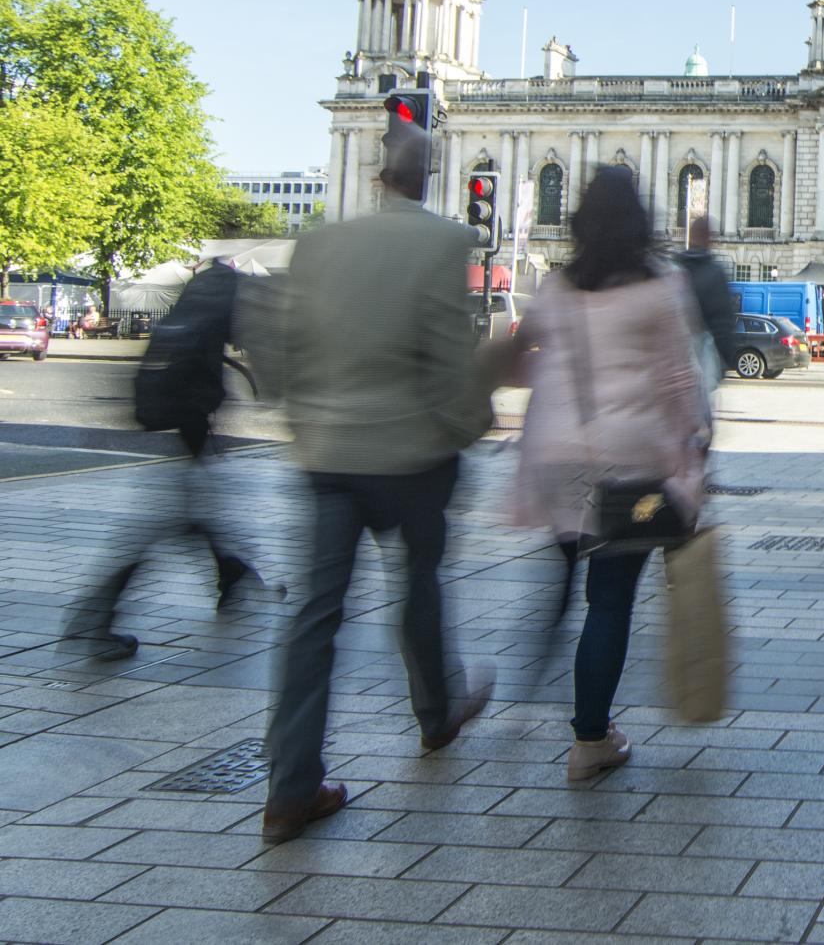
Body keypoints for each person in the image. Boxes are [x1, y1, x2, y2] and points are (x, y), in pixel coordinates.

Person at [261, 121, 495, 844]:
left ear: (374, 172)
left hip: (328, 455)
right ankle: (435, 714)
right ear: (429, 176)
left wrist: (302, 424)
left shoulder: (318, 244)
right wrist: (468, 428)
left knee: (313, 619)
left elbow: (278, 349)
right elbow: (451, 359)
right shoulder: (444, 242)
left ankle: (289, 790)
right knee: (418, 586)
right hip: (412, 454)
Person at [497, 167, 709, 781]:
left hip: (556, 457)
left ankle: (529, 681)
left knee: (563, 580)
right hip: (629, 463)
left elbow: (520, 357)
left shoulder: (559, 286)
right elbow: (678, 383)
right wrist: (695, 449)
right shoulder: (661, 288)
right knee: (610, 602)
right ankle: (589, 738)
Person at [66, 261, 277, 655]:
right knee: (165, 523)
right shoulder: (222, 303)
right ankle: (94, 619)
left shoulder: (197, 303)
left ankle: (229, 572)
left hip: (187, 421)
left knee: (187, 515)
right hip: (192, 420)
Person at [676, 216, 733, 387]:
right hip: (705, 363)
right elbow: (724, 325)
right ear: (708, 238)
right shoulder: (716, 273)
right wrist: (721, 367)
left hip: (676, 365)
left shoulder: (673, 268)